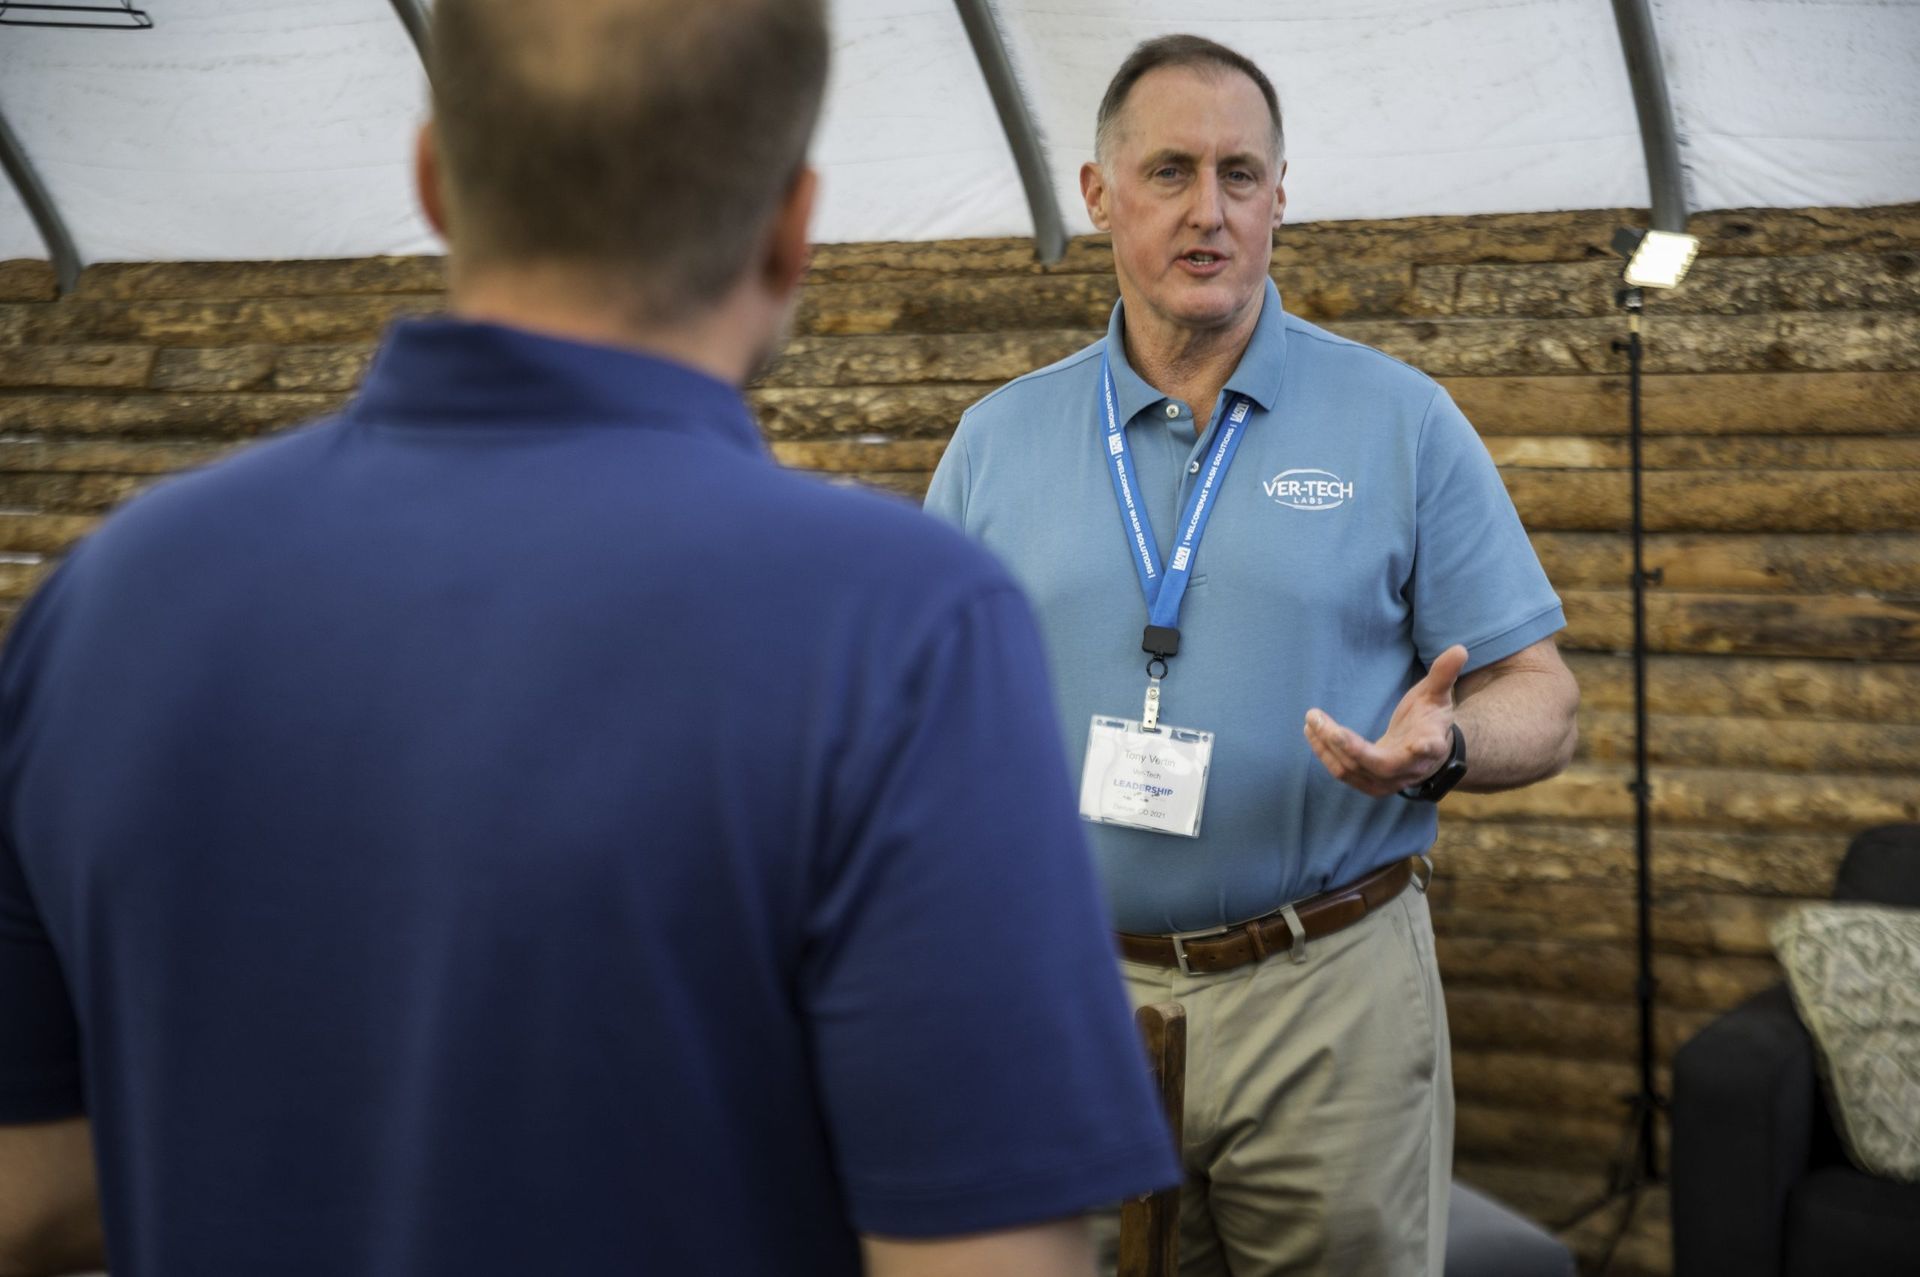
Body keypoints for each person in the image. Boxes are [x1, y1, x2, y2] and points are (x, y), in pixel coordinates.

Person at [0, 3, 1181, 1274]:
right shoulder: (903, 630)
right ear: (791, 225)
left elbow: (27, 1194)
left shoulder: (104, 600)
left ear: (434, 177)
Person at [925, 33, 1580, 1277]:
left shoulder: (1401, 419)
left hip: (1329, 991)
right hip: (1069, 997)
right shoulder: (995, 442)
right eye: (1170, 171)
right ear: (1099, 194)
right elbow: (926, 725)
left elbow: (1543, 698)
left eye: (1241, 174)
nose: (1208, 210)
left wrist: (1446, 746)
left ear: (1281, 194)